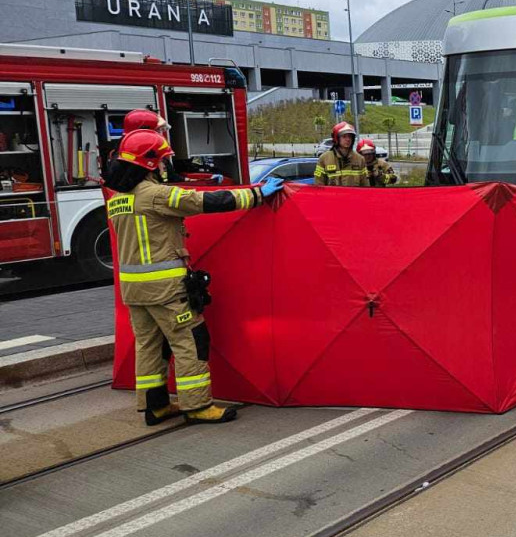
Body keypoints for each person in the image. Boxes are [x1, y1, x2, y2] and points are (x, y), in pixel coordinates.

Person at [104, 129, 284, 425]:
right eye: (161, 161)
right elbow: (207, 202)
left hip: (134, 290)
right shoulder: (155, 195)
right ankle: (197, 405)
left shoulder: (118, 199)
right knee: (190, 341)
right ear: (149, 163)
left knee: (150, 347)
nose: (165, 167)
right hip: (164, 289)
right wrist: (256, 194)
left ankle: (155, 406)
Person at [315, 121, 369, 186]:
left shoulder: (360, 159)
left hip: (353, 196)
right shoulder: (324, 159)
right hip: (333, 196)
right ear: (336, 138)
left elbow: (365, 185)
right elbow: (319, 184)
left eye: (350, 137)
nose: (348, 139)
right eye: (344, 136)